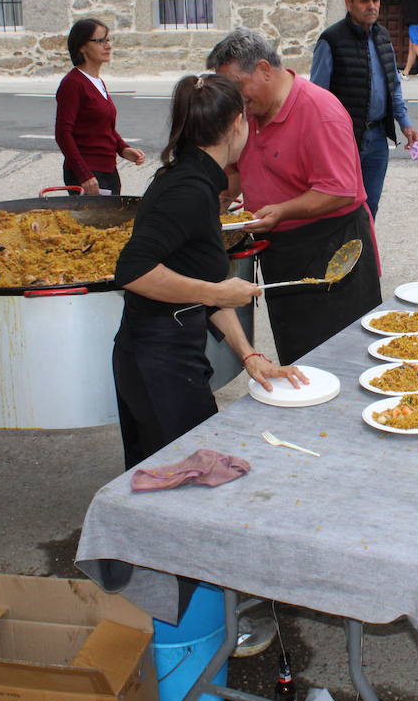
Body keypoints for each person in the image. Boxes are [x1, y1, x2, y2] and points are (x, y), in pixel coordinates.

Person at [113, 73, 306, 470]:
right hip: (157, 361)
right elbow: (132, 270)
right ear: (237, 123)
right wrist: (215, 293)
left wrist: (249, 355)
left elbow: (205, 282)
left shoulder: (198, 179)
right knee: (187, 479)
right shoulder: (188, 190)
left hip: (170, 355)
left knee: (181, 474)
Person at [206, 29, 382, 365]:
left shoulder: (319, 111)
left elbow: (341, 190)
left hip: (332, 246)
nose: (234, 99)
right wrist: (215, 204)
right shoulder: (249, 112)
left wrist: (281, 211)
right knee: (297, 349)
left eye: (238, 87)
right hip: (281, 249)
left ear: (263, 69)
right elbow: (236, 170)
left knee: (342, 357)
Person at [310, 0, 418, 218]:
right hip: (344, 141)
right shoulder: (331, 40)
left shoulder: (382, 37)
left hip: (378, 138)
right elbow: (317, 99)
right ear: (349, 2)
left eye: (376, 0)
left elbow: (393, 85)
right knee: (341, 207)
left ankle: (363, 254)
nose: (372, 6)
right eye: (364, 1)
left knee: (370, 206)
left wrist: (405, 123)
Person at [54, 19, 145, 195]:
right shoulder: (73, 83)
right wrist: (84, 174)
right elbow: (63, 133)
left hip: (107, 169)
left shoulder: (97, 82)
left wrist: (123, 149)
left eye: (108, 40)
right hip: (89, 174)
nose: (108, 46)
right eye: (100, 41)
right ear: (82, 46)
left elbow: (104, 127)